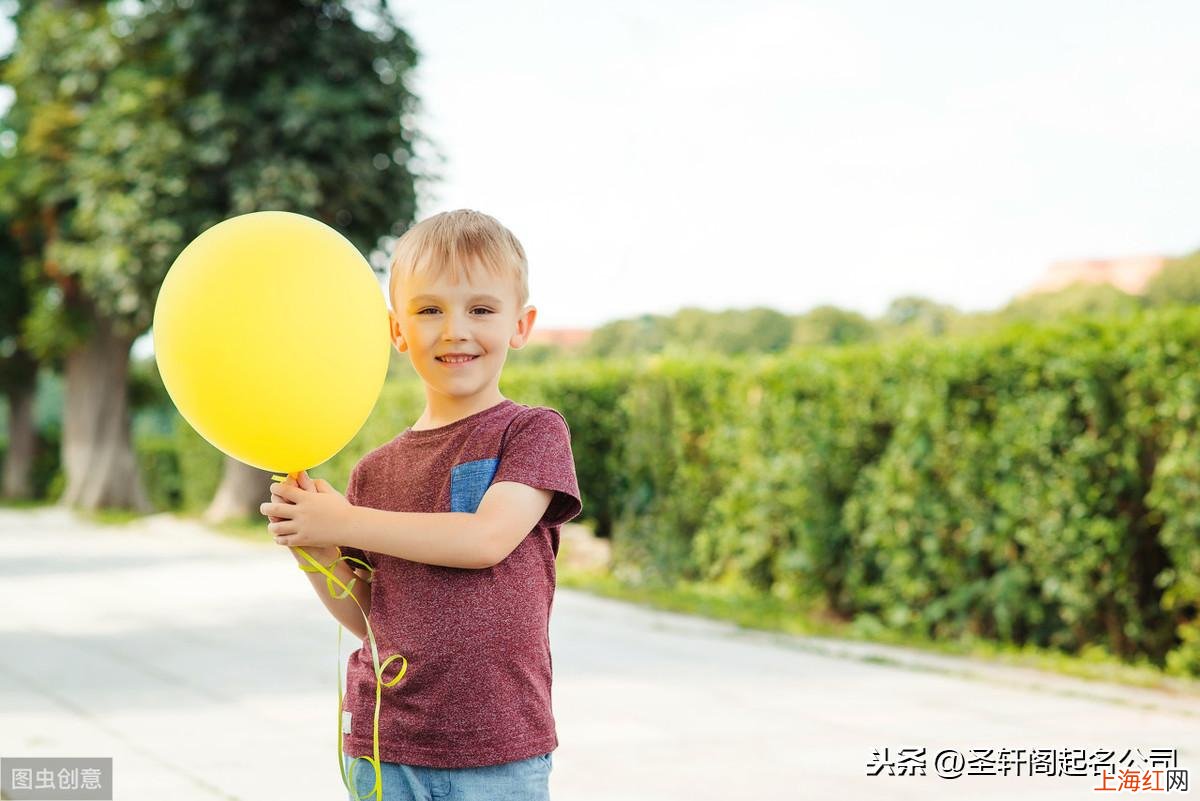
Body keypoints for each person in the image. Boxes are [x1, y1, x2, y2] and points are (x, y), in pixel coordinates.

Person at [260, 209, 582, 801]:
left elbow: (486, 540)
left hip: (498, 747)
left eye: (481, 310)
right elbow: (369, 617)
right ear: (397, 330)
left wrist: (345, 520)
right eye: (429, 310)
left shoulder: (531, 433)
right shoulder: (375, 471)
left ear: (521, 324)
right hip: (386, 744)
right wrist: (316, 547)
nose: (455, 330)